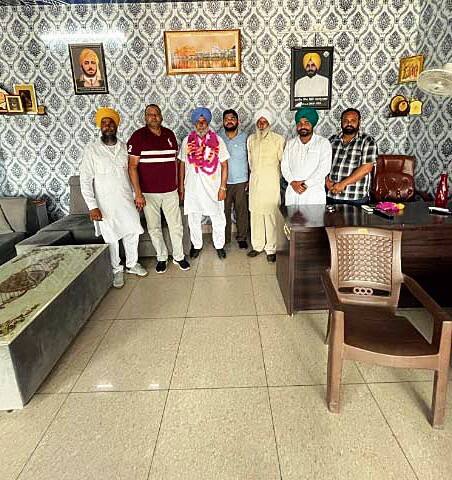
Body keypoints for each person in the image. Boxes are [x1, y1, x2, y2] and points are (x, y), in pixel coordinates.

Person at [80, 107, 147, 289]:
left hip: (126, 200)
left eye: (111, 123)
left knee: (132, 230)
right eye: (104, 123)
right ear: (100, 127)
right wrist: (92, 206)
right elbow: (85, 180)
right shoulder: (92, 150)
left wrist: (137, 195)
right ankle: (116, 269)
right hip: (105, 204)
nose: (108, 126)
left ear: (116, 126)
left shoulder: (125, 148)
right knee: (111, 237)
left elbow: (132, 173)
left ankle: (132, 264)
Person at [127, 104, 190, 274]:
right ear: (145, 117)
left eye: (156, 114)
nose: (153, 117)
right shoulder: (138, 136)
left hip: (170, 191)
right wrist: (138, 194)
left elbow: (175, 162)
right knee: (154, 227)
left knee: (176, 226)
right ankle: (161, 257)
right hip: (148, 193)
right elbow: (132, 167)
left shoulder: (169, 134)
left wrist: (180, 187)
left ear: (161, 116)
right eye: (150, 114)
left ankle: (179, 257)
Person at [179, 107, 229, 259]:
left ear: (208, 123)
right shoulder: (187, 141)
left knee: (218, 217)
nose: (201, 125)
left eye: (204, 121)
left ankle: (219, 245)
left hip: (213, 187)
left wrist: (223, 187)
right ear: (194, 124)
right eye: (198, 122)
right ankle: (197, 245)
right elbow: (181, 164)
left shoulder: (217, 140)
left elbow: (224, 165)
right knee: (193, 218)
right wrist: (181, 187)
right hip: (192, 188)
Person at [247, 109, 285, 263]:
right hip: (255, 182)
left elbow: (283, 163)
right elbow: (250, 162)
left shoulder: (278, 139)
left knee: (271, 215)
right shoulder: (251, 139)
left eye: (265, 121)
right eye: (259, 121)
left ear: (269, 123)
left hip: (271, 183)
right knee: (256, 214)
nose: (262, 124)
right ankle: (257, 246)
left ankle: (271, 248)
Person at [326, 108, 378, 206]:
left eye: (353, 120)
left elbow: (366, 168)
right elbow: (324, 163)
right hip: (332, 195)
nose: (349, 123)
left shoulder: (367, 141)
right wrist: (326, 180)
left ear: (359, 122)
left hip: (355, 197)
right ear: (341, 122)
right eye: (345, 120)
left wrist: (342, 184)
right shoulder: (332, 140)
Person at [281, 107, 332, 206]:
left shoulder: (323, 143)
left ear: (312, 124)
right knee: (291, 216)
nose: (302, 126)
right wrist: (293, 182)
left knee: (314, 216)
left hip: (313, 194)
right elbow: (284, 166)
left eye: (306, 122)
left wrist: (305, 184)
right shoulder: (290, 143)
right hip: (293, 192)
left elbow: (324, 169)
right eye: (299, 123)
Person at [218, 109, 249, 249]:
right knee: (223, 211)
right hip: (222, 182)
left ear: (237, 121)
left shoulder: (245, 137)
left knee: (241, 211)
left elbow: (250, 159)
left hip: (241, 181)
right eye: (226, 119)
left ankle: (242, 237)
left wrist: (249, 179)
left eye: (232, 118)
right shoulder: (217, 137)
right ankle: (224, 239)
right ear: (223, 122)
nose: (229, 121)